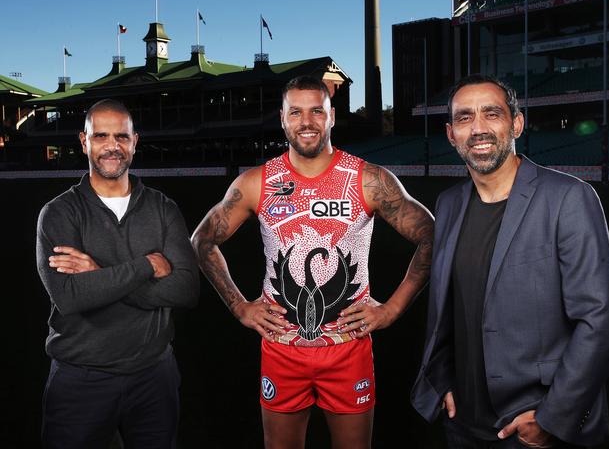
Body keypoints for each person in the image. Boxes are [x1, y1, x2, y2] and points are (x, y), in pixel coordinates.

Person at [192, 75, 434, 449]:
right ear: (283, 118)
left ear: (332, 116)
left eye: (316, 111)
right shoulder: (258, 182)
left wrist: (392, 309)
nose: (307, 121)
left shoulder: (367, 179)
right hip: (281, 349)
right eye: (296, 112)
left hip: (348, 347)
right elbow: (202, 239)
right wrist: (239, 306)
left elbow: (430, 235)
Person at [411, 74, 609, 448]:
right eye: (464, 118)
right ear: (450, 134)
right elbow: (446, 309)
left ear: (517, 123)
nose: (478, 128)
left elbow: (599, 320)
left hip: (532, 426)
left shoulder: (569, 198)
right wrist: (441, 379)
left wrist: (553, 418)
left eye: (491, 114)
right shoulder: (448, 204)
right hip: (462, 425)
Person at [36, 99, 199, 448]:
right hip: (82, 378)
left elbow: (186, 289)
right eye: (101, 136)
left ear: (135, 141)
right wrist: (146, 267)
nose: (112, 146)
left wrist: (100, 273)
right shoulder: (59, 213)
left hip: (154, 376)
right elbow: (72, 297)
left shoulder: (162, 207)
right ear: (84, 141)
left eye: (121, 137)